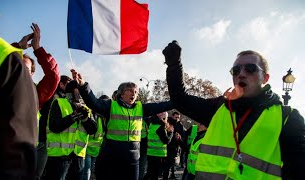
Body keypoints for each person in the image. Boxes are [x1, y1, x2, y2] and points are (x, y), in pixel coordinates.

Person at [163, 40, 305, 179]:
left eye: (250, 68)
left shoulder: (288, 118)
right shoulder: (219, 107)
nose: (241, 74)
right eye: (235, 70)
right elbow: (180, 99)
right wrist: (174, 64)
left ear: (265, 78)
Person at [71, 69, 174, 180]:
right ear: (121, 93)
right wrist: (83, 86)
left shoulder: (141, 108)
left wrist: (178, 101)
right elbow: (93, 103)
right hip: (112, 157)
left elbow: (161, 106)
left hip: (133, 159)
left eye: (136, 92)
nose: (134, 94)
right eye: (130, 90)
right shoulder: (111, 106)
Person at [0, 2, 38, 179]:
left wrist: (37, 50)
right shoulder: (5, 61)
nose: (24, 67)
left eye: (28, 68)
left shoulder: (8, 65)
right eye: (22, 64)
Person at [11, 23, 60, 180]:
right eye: (17, 65)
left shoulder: (35, 93)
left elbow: (53, 75)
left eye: (26, 67)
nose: (21, 70)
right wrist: (18, 47)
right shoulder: (0, 84)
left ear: (32, 73)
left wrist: (37, 49)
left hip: (26, 155)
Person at [44, 80, 97, 180]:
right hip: (59, 157)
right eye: (79, 91)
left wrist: (86, 119)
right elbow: (54, 126)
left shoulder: (86, 108)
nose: (82, 95)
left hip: (78, 158)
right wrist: (72, 117)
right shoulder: (59, 103)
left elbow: (93, 130)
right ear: (70, 92)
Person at [38, 75, 72, 179]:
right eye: (68, 84)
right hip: (46, 139)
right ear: (61, 84)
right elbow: (49, 118)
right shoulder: (54, 97)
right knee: (39, 172)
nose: (70, 87)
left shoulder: (63, 98)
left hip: (51, 142)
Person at [81, 94, 110, 180]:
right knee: (86, 171)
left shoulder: (105, 118)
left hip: (96, 150)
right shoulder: (92, 114)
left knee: (89, 170)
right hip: (86, 149)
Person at [143, 112, 174, 180]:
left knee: (150, 173)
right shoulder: (160, 126)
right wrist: (170, 132)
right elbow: (166, 141)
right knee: (155, 174)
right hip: (158, 154)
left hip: (150, 152)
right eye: (166, 118)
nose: (166, 120)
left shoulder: (152, 124)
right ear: (163, 118)